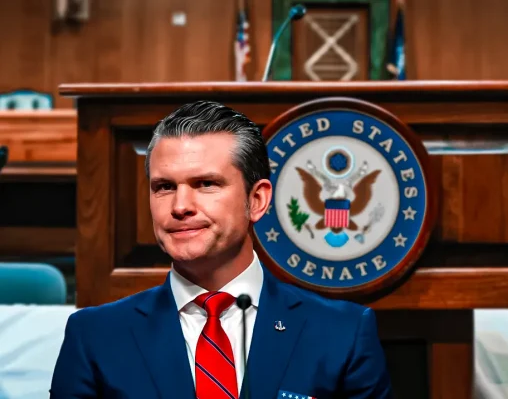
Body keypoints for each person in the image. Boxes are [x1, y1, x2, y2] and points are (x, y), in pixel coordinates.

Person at [50, 100, 393, 399]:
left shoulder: (343, 333)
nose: (180, 206)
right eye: (164, 187)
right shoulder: (95, 336)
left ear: (256, 200)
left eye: (206, 184)